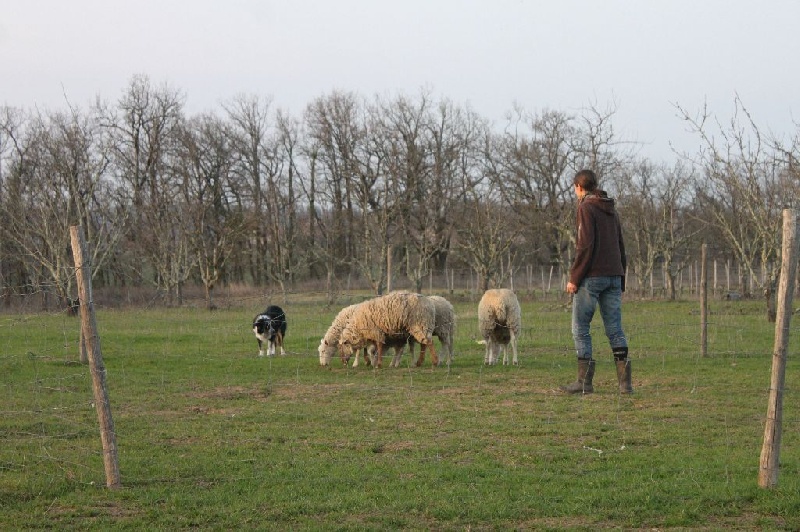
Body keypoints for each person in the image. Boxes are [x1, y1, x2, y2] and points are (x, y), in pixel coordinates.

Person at [560, 169, 632, 394]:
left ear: (579, 187)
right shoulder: (611, 209)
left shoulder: (586, 208)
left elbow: (585, 245)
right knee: (615, 329)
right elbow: (620, 245)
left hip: (592, 277)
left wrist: (574, 278)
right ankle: (625, 384)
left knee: (580, 328)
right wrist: (621, 277)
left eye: (575, 188)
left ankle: (584, 382)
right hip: (614, 275)